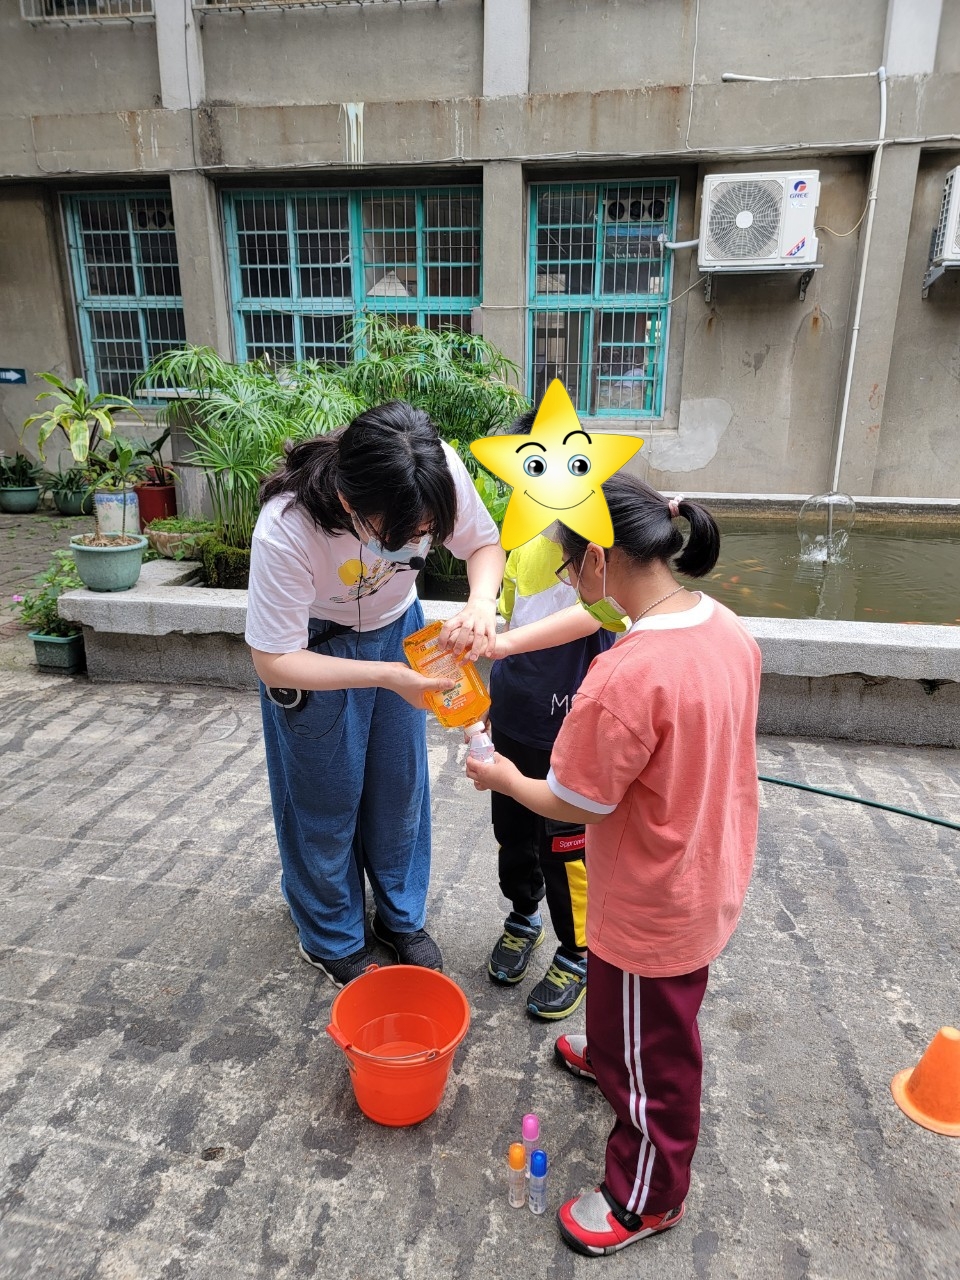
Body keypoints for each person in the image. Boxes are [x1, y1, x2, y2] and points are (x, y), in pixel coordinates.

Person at [467, 474, 761, 1257]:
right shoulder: (724, 625)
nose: (569, 581)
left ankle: (646, 1197)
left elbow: (573, 801)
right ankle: (607, 1055)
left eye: (569, 566)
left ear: (599, 559)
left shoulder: (625, 674)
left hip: (651, 898)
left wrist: (502, 777)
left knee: (659, 1061)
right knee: (631, 1011)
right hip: (704, 863)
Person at [246, 400, 504, 988]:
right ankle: (331, 934)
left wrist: (480, 602)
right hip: (316, 650)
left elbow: (483, 547)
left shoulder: (432, 472)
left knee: (399, 786)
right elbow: (273, 660)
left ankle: (399, 916)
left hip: (399, 630)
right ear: (349, 503)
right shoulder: (286, 527)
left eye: (426, 532)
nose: (418, 543)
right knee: (324, 796)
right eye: (402, 534)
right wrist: (386, 675)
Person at [485, 415, 614, 1019]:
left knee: (566, 845)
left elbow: (599, 613)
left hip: (572, 727)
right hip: (515, 715)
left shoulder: (600, 544)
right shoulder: (520, 541)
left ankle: (577, 949)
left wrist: (506, 643)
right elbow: (507, 614)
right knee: (513, 832)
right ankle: (522, 915)